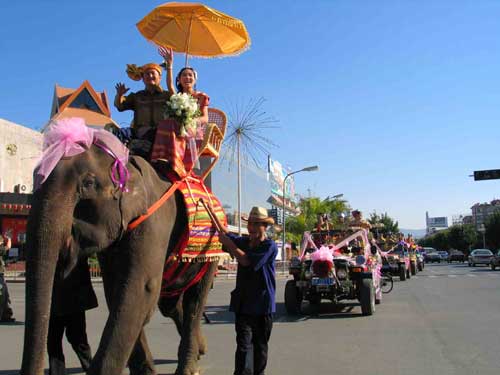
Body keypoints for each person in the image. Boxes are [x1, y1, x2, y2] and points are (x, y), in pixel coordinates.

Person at [206, 205, 277, 375]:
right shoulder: (245, 241)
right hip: (243, 304)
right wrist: (212, 213)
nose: (251, 228)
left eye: (256, 224)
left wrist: (229, 244)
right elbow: (224, 231)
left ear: (264, 227)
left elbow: (246, 261)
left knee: (260, 346)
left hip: (262, 306)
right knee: (243, 345)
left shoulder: (269, 246)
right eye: (250, 224)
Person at [151, 47, 210, 177]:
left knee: (172, 123)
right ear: (179, 79)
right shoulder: (177, 96)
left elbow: (205, 118)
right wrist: (170, 65)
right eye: (184, 75)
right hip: (176, 127)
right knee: (166, 122)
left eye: (190, 75)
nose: (187, 77)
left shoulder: (201, 96)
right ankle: (163, 158)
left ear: (195, 79)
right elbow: (170, 85)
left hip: (193, 130)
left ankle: (176, 162)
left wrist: (190, 120)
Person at [47, 256, 98, 375]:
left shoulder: (76, 247)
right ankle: (58, 372)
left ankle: (91, 368)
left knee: (77, 339)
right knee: (55, 341)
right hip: (59, 299)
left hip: (72, 299)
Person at [114, 62, 171, 158]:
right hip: (138, 132)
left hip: (158, 134)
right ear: (143, 79)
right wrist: (119, 95)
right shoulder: (137, 96)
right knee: (117, 133)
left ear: (160, 77)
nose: (150, 76)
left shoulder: (166, 96)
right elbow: (120, 107)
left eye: (153, 73)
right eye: (147, 74)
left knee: (149, 138)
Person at [0, 235, 15, 322]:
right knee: (2, 296)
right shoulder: (1, 249)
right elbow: (7, 247)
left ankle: (6, 315)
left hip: (1, 275)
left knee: (5, 296)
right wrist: (9, 239)